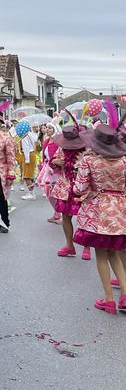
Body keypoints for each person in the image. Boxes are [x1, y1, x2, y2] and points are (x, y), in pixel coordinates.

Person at [72, 125, 126, 314]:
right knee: (114, 252)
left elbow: (79, 189)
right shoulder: (124, 162)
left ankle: (109, 299)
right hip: (120, 211)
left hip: (98, 211)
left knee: (102, 255)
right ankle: (125, 295)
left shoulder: (89, 161)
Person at [50, 126, 88, 259]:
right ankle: (69, 245)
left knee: (85, 217)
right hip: (66, 186)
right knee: (66, 216)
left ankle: (86, 247)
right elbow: (53, 161)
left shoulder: (87, 149)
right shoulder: (62, 148)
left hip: (83, 188)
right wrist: (55, 161)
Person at [37, 122, 63, 223]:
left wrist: (55, 163)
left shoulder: (58, 142)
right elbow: (45, 156)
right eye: (47, 128)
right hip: (47, 169)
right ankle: (56, 213)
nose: (47, 130)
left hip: (57, 170)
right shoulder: (46, 141)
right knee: (48, 192)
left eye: (50, 128)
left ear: (55, 129)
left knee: (57, 192)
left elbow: (60, 156)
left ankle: (61, 214)